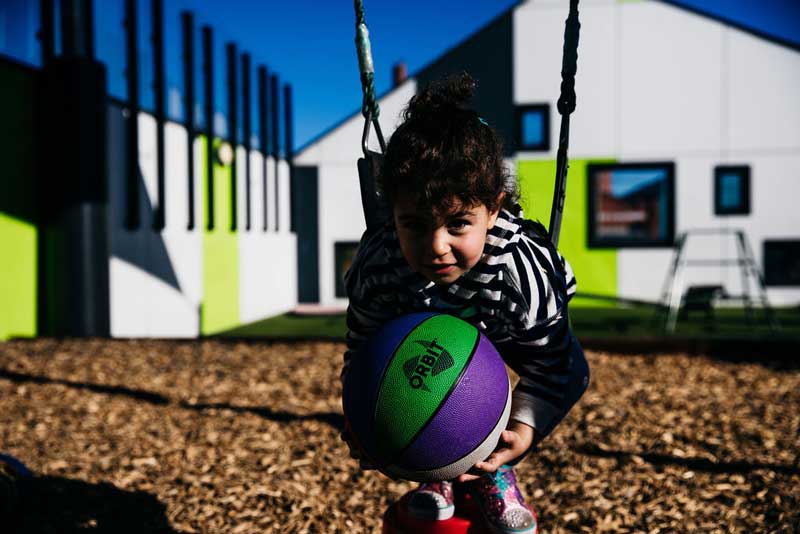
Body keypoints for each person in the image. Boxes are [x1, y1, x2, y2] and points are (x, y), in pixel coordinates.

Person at [341, 72, 590, 534]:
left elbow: (562, 366)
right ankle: (436, 472)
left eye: (457, 223)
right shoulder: (379, 261)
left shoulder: (520, 270)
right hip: (419, 319)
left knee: (481, 406)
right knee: (425, 396)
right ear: (391, 212)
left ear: (493, 210)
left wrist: (525, 431)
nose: (436, 245)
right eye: (413, 223)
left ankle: (492, 472)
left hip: (506, 324)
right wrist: (362, 416)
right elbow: (362, 347)